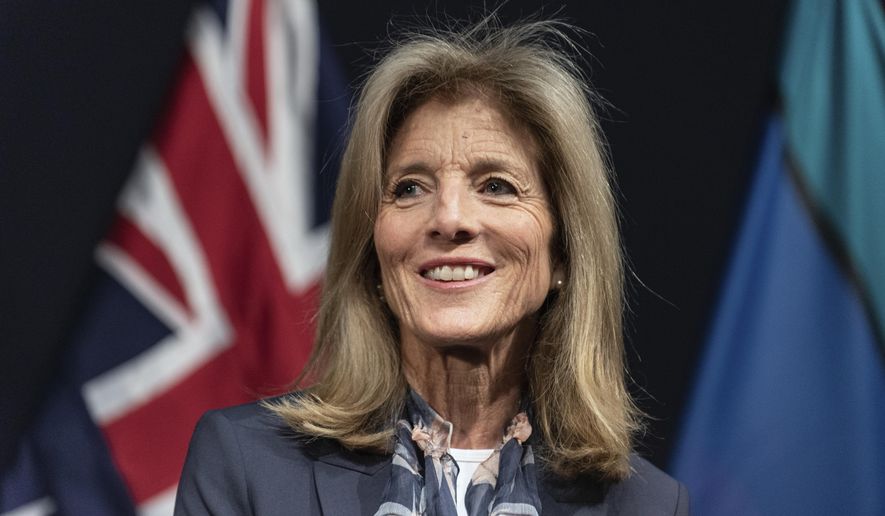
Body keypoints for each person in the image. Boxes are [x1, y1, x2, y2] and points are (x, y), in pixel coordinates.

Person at [175, 17, 689, 516]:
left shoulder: (646, 505)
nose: (448, 218)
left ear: (563, 255)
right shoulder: (247, 466)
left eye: (496, 186)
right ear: (372, 254)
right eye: (410, 188)